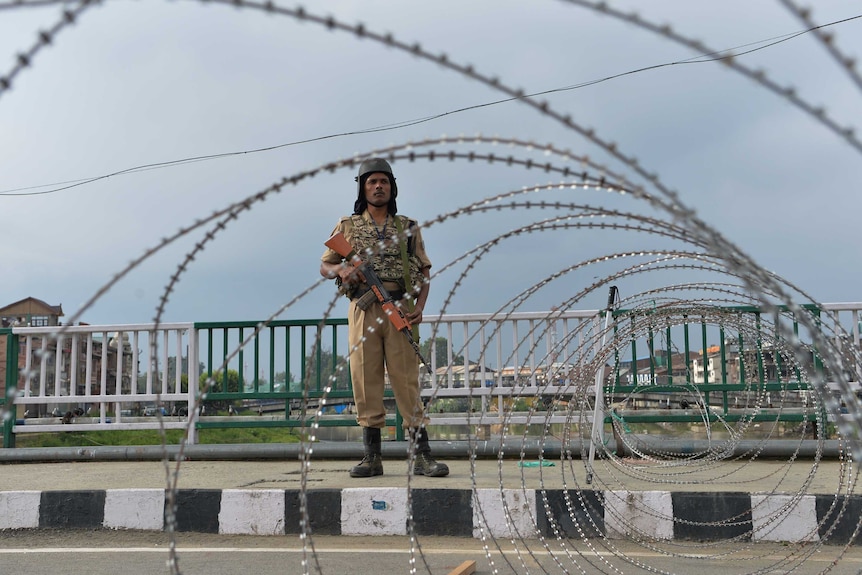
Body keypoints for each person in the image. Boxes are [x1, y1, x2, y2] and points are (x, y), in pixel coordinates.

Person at [320, 158, 449, 478]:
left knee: (406, 380)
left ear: (392, 188)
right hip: (364, 309)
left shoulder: (407, 227)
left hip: (400, 307)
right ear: (363, 188)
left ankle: (422, 455)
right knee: (365, 380)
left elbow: (424, 270)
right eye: (372, 182)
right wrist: (343, 269)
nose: (379, 187)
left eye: (384, 182)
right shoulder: (347, 226)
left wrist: (419, 306)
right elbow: (325, 266)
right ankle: (371, 456)